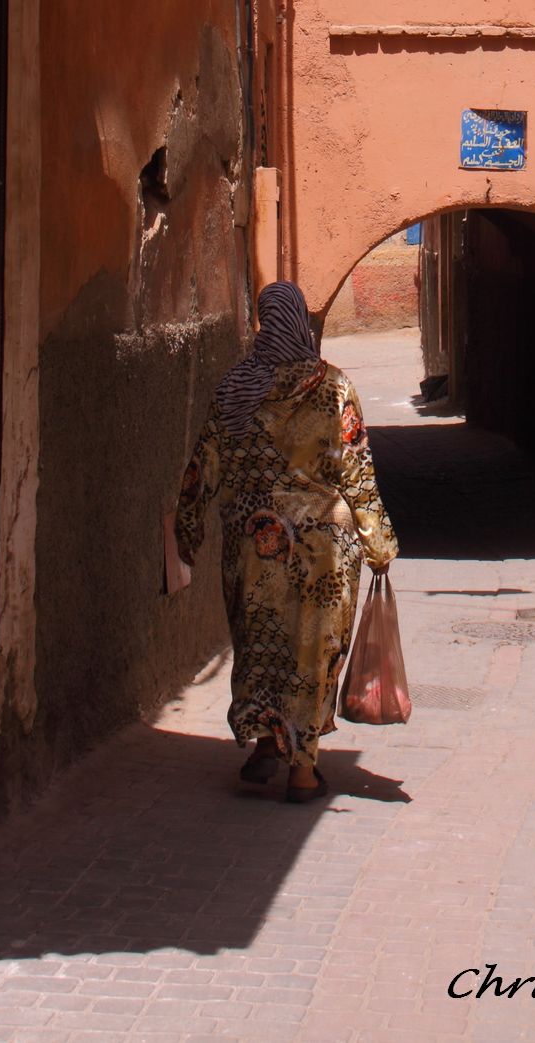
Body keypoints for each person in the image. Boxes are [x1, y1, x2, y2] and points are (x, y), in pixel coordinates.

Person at [174, 281, 398, 803]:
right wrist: (379, 544)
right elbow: (357, 472)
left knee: (259, 647)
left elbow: (203, 464)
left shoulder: (235, 387)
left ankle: (265, 747)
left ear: (262, 322)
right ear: (302, 323)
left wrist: (189, 529)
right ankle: (302, 769)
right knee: (311, 655)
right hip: (323, 555)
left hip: (252, 549)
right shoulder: (333, 387)